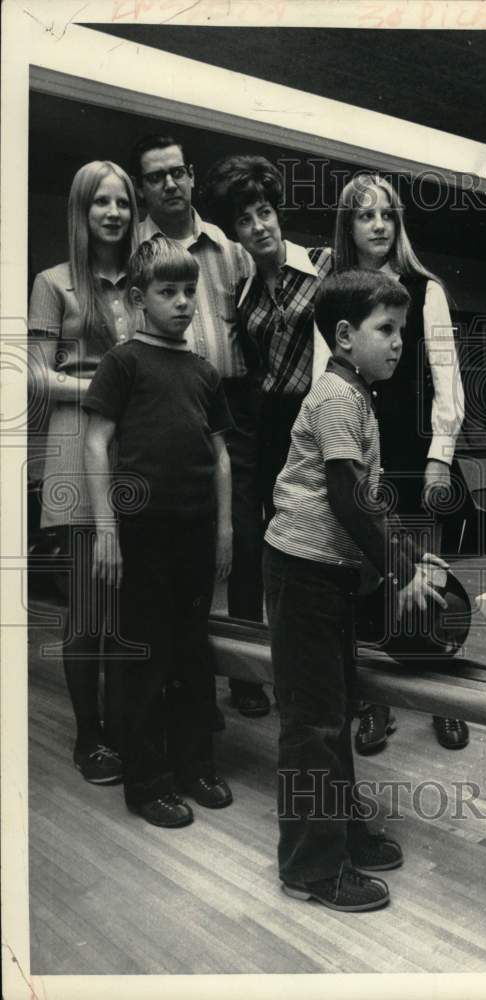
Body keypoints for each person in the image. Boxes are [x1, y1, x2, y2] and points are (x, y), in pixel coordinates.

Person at [263, 267, 447, 910]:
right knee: (313, 724)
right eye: (386, 329)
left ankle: (340, 833)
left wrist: (406, 556)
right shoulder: (337, 398)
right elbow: (346, 499)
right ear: (344, 336)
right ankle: (311, 868)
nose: (399, 342)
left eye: (402, 330)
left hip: (326, 578)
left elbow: (368, 500)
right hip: (302, 576)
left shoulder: (356, 396)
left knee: (333, 714)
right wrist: (400, 572)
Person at [82, 236, 234, 828]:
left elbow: (221, 456)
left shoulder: (204, 372)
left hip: (195, 532)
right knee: (144, 657)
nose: (182, 302)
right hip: (141, 534)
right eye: (167, 292)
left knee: (192, 652)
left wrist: (225, 528)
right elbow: (97, 443)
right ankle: (147, 782)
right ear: (139, 299)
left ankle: (195, 765)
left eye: (189, 291)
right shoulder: (123, 362)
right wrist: (106, 530)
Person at [129, 135, 267, 721]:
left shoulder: (231, 250)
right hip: (164, 401)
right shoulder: (136, 251)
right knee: (176, 546)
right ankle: (181, 678)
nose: (169, 183)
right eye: (155, 176)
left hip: (230, 405)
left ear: (191, 176)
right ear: (143, 189)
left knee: (243, 538)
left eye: (177, 172)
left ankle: (246, 677)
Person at [333, 173, 468, 754]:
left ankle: (442, 700)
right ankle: (376, 705)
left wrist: (440, 457)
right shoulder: (336, 291)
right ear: (349, 226)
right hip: (362, 454)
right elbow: (325, 380)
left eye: (387, 214)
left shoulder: (424, 288)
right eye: (366, 216)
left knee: (427, 580)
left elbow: (447, 380)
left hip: (416, 453)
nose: (379, 225)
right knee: (372, 581)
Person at [28, 160, 140, 785]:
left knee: (126, 601)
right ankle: (88, 736)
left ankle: (123, 723)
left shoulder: (142, 280)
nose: (114, 212)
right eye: (101, 201)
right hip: (76, 441)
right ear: (81, 209)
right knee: (89, 605)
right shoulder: (52, 282)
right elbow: (34, 377)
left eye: (122, 202)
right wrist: (103, 390)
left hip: (136, 444)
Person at [200, 154, 333, 640]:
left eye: (264, 213)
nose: (258, 227)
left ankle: (310, 644)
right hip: (269, 424)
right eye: (244, 220)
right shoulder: (244, 293)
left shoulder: (324, 263)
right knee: (263, 539)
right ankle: (259, 652)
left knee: (311, 535)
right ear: (234, 232)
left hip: (317, 414)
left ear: (278, 213)